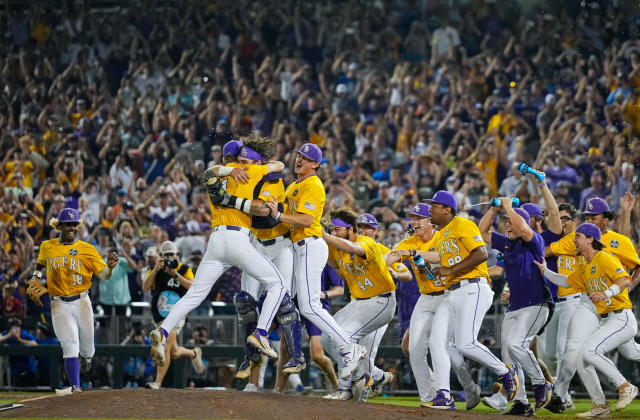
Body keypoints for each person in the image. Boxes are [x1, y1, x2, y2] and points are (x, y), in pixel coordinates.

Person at [150, 135, 287, 367]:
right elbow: (280, 165)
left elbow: (209, 172)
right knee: (278, 284)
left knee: (195, 294)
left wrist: (226, 169)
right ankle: (261, 333)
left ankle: (162, 332)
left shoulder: (215, 175)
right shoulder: (249, 170)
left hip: (215, 240)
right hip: (237, 238)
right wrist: (255, 164)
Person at [265, 143, 365, 381]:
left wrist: (278, 214)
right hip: (297, 247)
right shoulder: (294, 186)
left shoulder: (313, 184)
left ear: (316, 165)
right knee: (291, 301)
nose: (300, 159)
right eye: (299, 155)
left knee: (310, 306)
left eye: (306, 157)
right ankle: (297, 354)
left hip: (310, 244)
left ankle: (349, 348)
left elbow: (306, 218)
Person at [419, 190, 518, 409]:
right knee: (437, 341)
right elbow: (449, 263)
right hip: (453, 292)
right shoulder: (442, 233)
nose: (430, 210)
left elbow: (481, 253)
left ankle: (505, 372)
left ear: (447, 210)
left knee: (465, 343)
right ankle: (444, 395)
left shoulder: (463, 224)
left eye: (434, 206)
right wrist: (437, 269)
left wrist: (450, 269)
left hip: (473, 288)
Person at [544, 197, 640, 413]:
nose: (588, 220)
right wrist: (541, 267)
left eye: (593, 216)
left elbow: (628, 274)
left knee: (629, 352)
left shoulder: (615, 244)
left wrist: (618, 291)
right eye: (586, 216)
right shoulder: (582, 245)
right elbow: (565, 275)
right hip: (589, 302)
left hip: (615, 306)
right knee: (577, 351)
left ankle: (624, 387)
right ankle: (570, 398)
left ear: (606, 219)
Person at [387, 203, 481, 409]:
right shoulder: (410, 241)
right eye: (413, 218)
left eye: (420, 218)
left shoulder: (442, 236)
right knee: (414, 349)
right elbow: (390, 257)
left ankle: (468, 386)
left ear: (430, 220)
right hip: (425, 297)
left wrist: (409, 252)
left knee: (447, 348)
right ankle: (429, 397)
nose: (415, 222)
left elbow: (440, 256)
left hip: (448, 296)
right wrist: (383, 259)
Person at [25, 207, 119, 395]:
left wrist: (110, 268)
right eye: (68, 224)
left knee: (87, 349)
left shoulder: (87, 249)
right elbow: (41, 263)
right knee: (70, 344)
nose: (71, 227)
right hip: (58, 303)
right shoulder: (47, 246)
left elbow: (104, 276)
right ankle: (76, 387)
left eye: (74, 224)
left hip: (82, 302)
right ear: (59, 226)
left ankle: (86, 357)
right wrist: (35, 276)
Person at [478, 199, 553, 415]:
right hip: (515, 306)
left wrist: (509, 208)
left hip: (536, 303)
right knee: (508, 354)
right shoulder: (507, 243)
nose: (507, 225)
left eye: (510, 222)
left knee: (516, 344)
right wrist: (493, 209)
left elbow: (522, 227)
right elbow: (482, 232)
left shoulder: (534, 240)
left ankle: (541, 384)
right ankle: (521, 403)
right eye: (505, 222)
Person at [319, 207, 396, 401]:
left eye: (338, 229)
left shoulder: (366, 241)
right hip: (359, 302)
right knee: (328, 337)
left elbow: (354, 249)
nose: (334, 232)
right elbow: (336, 267)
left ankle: (345, 389)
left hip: (381, 301)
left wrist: (325, 236)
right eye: (332, 229)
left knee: (344, 337)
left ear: (351, 230)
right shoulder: (336, 247)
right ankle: (369, 376)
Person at [143, 240, 205, 389]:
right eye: (166, 255)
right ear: (161, 257)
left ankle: (157, 382)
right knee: (174, 352)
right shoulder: (154, 268)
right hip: (159, 314)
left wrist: (175, 274)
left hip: (178, 314)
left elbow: (193, 287)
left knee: (164, 345)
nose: (170, 258)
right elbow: (145, 287)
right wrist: (156, 270)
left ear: (177, 255)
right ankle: (193, 353)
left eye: (172, 254)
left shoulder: (184, 269)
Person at [0, 317, 38, 387]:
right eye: (13, 325)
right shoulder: (6, 333)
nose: (15, 328)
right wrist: (8, 336)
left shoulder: (24, 333)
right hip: (15, 370)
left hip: (28, 369)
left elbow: (35, 344)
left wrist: (20, 339)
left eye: (17, 326)